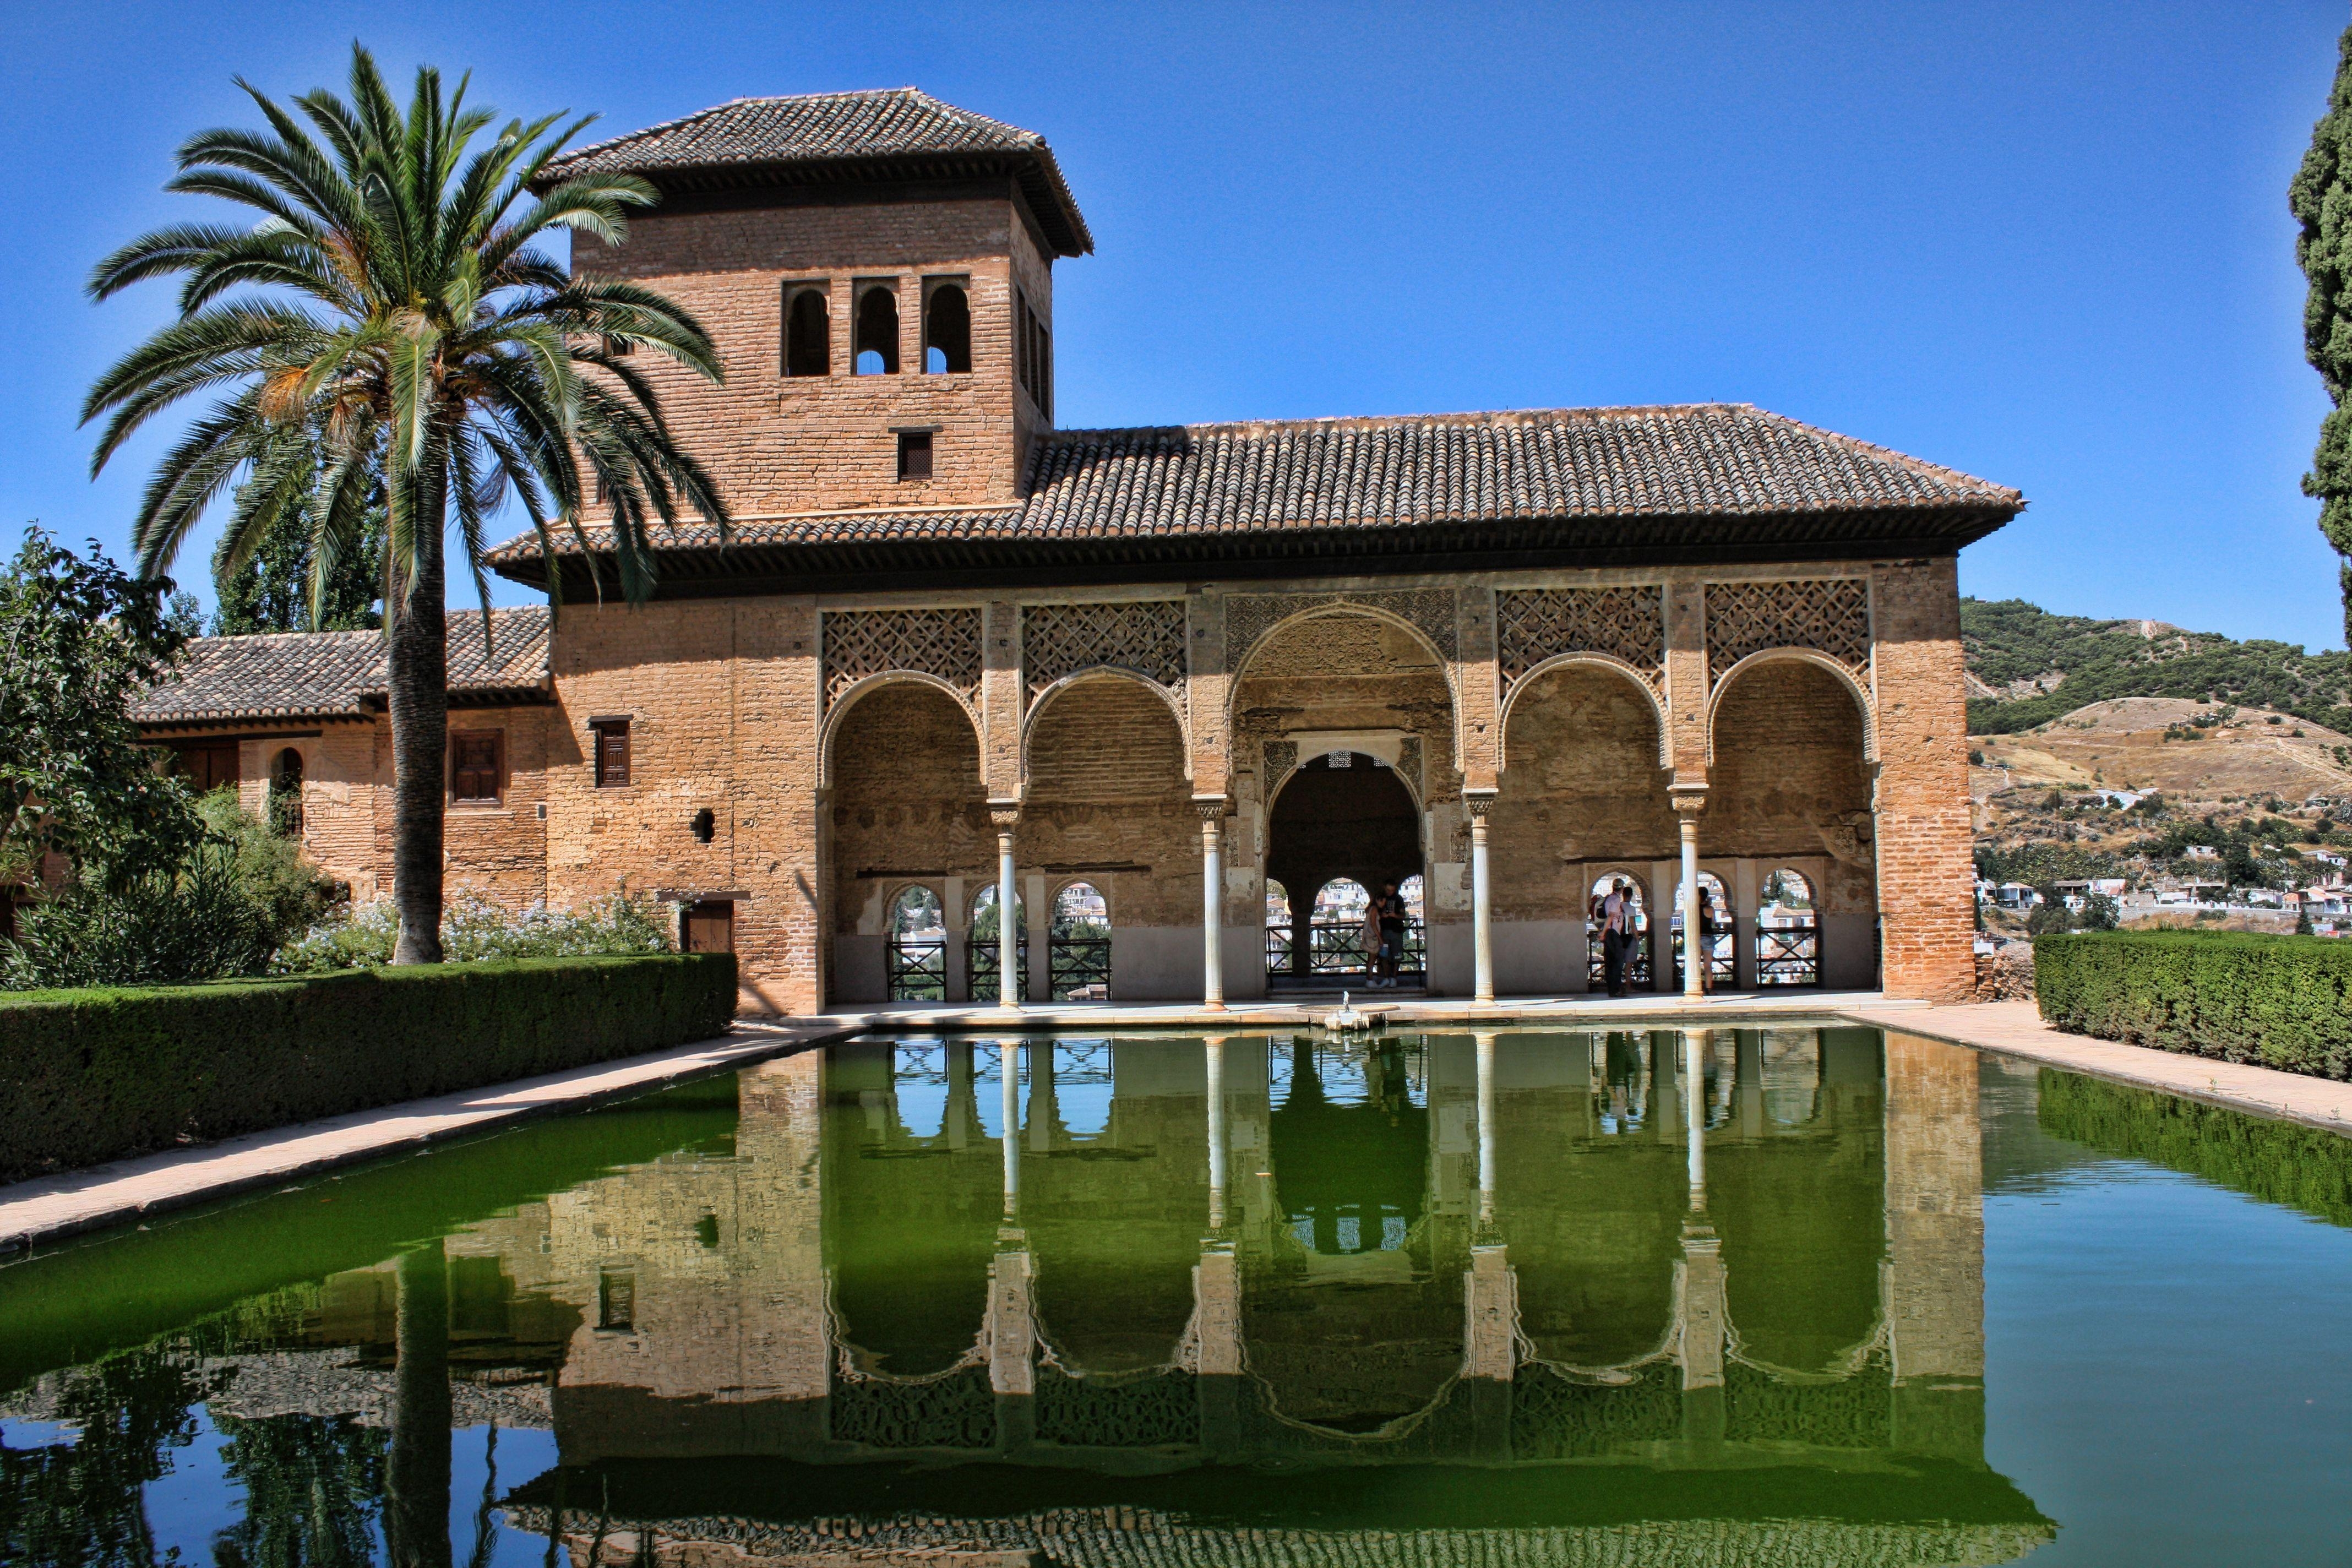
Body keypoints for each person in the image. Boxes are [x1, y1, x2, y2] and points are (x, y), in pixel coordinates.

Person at [1602, 879, 1634, 998]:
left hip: (1609, 933)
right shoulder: (1615, 899)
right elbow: (1611, 916)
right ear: (1621, 888)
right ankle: (1616, 990)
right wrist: (1603, 932)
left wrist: (1604, 932)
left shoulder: (1609, 898)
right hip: (1613, 933)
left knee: (1610, 962)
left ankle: (1612, 990)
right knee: (1618, 962)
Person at [1376, 880, 1408, 986]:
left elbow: (1403, 916)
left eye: (1392, 891)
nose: (1390, 892)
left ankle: (1394, 978)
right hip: (1384, 932)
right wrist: (1382, 916)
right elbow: (1373, 912)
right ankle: (1386, 978)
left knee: (1397, 955)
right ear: (1385, 888)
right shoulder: (1380, 898)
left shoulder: (1398, 899)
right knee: (1384, 955)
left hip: (1396, 932)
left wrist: (1395, 915)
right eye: (1389, 890)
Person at [1358, 890, 1384, 986]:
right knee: (1372, 959)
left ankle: (1370, 979)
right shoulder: (1374, 909)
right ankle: (1370, 980)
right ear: (1378, 900)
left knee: (1371, 959)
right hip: (1372, 937)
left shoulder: (1371, 909)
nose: (1383, 904)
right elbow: (1373, 924)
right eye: (1383, 902)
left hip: (1370, 936)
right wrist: (1380, 938)